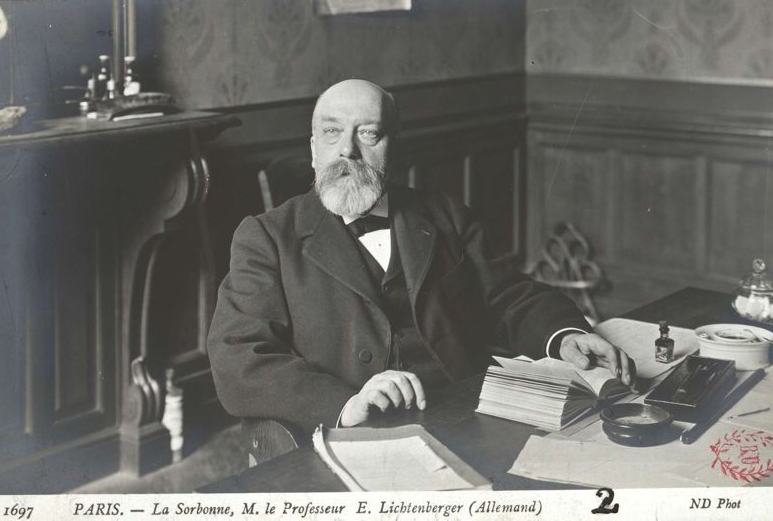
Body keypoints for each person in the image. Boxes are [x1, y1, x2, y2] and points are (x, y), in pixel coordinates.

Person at [207, 79, 635, 433]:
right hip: (353, 429)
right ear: (314, 147)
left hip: (466, 411)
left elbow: (507, 295)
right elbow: (239, 357)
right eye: (333, 132)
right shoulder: (265, 237)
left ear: (395, 147)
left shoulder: (445, 214)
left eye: (368, 133)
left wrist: (563, 335)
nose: (348, 151)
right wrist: (343, 405)